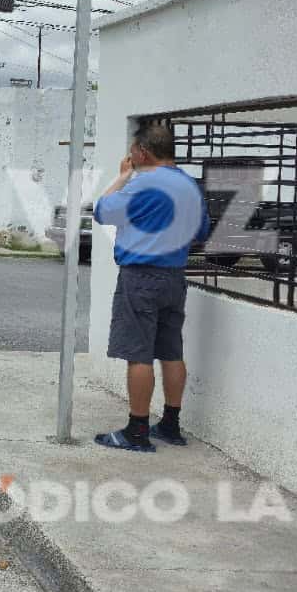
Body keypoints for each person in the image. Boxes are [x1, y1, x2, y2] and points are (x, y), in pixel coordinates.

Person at [92, 122, 208, 453]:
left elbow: (102, 211)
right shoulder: (189, 185)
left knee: (138, 354)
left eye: (132, 151)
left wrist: (122, 177)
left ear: (143, 151)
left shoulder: (141, 184)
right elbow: (200, 231)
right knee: (172, 352)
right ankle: (170, 424)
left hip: (141, 277)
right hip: (175, 277)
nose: (130, 156)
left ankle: (137, 431)